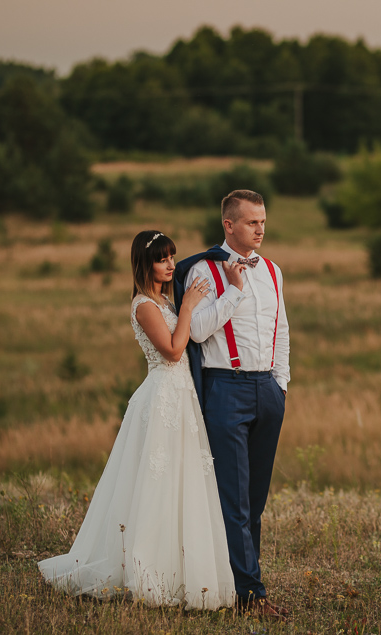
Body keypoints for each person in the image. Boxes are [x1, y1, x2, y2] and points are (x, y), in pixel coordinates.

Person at [37, 230, 236, 611]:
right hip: (163, 394)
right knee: (156, 482)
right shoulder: (145, 305)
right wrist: (190, 306)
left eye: (172, 257)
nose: (171, 265)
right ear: (145, 263)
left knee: (182, 479)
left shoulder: (163, 299)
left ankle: (181, 568)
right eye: (163, 259)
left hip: (181, 397)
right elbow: (174, 351)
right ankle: (149, 569)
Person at [174, 189, 290, 619]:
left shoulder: (274, 271)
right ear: (229, 225)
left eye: (263, 221)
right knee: (234, 500)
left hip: (267, 391)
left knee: (255, 500)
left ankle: (239, 582)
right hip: (226, 389)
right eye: (251, 222)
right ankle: (251, 595)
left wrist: (281, 383)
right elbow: (199, 331)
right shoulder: (204, 270)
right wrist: (235, 289)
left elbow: (281, 329)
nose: (260, 229)